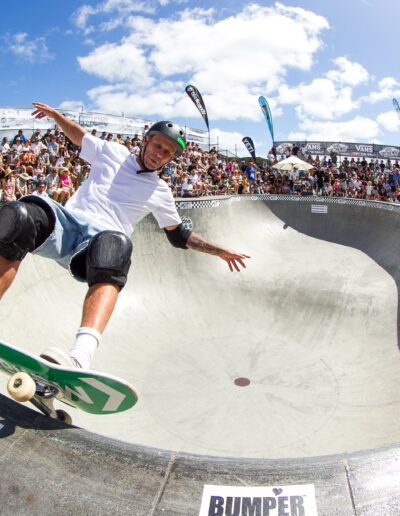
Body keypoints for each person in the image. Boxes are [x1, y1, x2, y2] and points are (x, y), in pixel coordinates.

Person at [0, 102, 250, 370]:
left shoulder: (160, 191)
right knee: (19, 216)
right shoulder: (113, 152)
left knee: (116, 245)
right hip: (64, 225)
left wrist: (220, 251)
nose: (159, 154)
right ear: (146, 141)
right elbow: (79, 136)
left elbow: (178, 236)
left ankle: (79, 357)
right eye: (157, 146)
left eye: (167, 153)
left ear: (170, 159)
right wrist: (57, 117)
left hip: (96, 247)